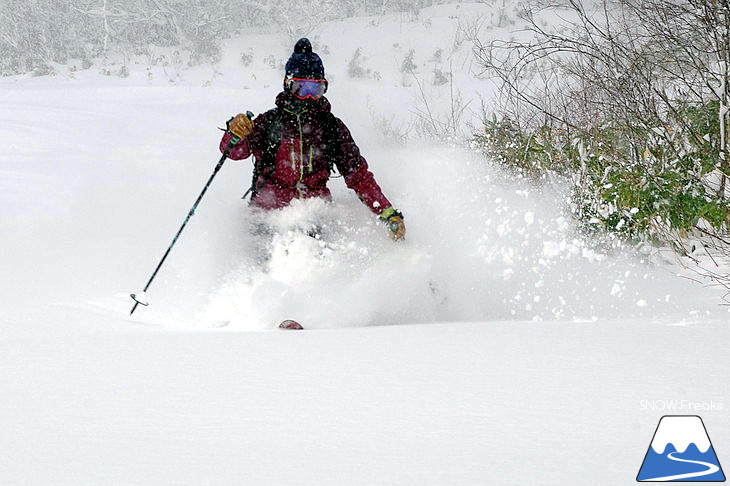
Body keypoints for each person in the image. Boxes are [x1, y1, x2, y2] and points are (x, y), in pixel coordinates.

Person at [220, 37, 405, 241]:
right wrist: (234, 131)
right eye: (301, 88)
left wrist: (386, 212)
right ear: (287, 84)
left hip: (314, 218)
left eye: (315, 89)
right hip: (267, 217)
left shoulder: (331, 127)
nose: (308, 96)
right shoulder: (269, 122)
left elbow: (358, 176)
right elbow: (233, 152)